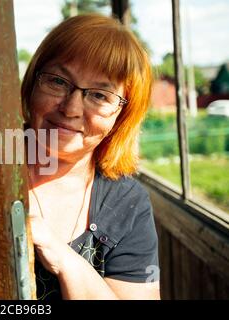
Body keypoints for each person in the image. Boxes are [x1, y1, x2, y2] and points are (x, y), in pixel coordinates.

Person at [21, 13, 160, 300]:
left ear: (122, 116)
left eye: (99, 96)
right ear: (33, 83)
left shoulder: (127, 203)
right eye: (58, 81)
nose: (71, 108)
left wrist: (62, 258)